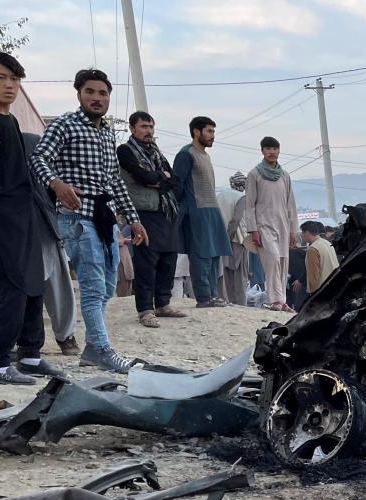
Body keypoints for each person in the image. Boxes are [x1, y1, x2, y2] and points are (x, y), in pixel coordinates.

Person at [30, 67, 149, 374]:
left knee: (109, 285)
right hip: (77, 216)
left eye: (103, 93)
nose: (97, 98)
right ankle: (100, 349)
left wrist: (133, 220)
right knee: (94, 287)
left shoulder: (107, 133)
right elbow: (38, 158)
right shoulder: (65, 125)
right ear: (79, 94)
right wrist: (57, 184)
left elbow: (114, 181)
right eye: (90, 92)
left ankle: (92, 348)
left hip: (105, 217)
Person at [0, 53, 66, 384]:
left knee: (35, 282)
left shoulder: (11, 121)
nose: (10, 85)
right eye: (1, 78)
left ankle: (31, 355)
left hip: (26, 215)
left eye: (15, 79)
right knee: (13, 285)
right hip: (1, 218)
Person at [116, 110, 186, 327]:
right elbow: (141, 176)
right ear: (132, 128)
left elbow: (173, 180)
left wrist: (158, 180)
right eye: (144, 127)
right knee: (147, 261)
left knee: (168, 258)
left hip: (166, 210)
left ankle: (162, 303)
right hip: (143, 210)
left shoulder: (155, 152)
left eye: (151, 127)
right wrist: (158, 178)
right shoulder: (125, 150)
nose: (148, 131)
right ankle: (145, 309)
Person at [22, 133, 78, 355]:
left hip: (43, 224)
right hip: (10, 229)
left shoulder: (32, 142)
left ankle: (66, 336)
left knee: (57, 283)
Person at [173, 116, 232, 309]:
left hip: (211, 209)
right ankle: (204, 297)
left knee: (214, 255)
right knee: (200, 256)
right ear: (196, 132)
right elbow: (177, 186)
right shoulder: (186, 154)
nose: (212, 136)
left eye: (213, 132)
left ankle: (212, 295)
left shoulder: (205, 155)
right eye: (209, 131)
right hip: (196, 210)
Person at [244, 136, 299, 312]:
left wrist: (293, 230)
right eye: (268, 148)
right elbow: (249, 204)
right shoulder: (254, 174)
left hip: (283, 224)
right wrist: (253, 229)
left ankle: (281, 301)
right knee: (272, 259)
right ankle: (274, 299)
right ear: (262, 151)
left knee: (283, 261)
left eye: (275, 148)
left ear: (279, 150)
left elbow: (291, 204)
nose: (272, 152)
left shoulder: (284, 175)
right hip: (263, 225)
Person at [216, 171, 250, 305]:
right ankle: (241, 305)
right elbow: (236, 220)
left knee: (227, 274)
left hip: (221, 239)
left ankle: (230, 303)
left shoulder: (220, 195)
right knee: (240, 277)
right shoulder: (241, 197)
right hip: (238, 240)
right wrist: (229, 237)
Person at [303, 220, 340, 294]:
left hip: (322, 291)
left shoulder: (313, 249)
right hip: (334, 285)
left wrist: (313, 293)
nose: (302, 235)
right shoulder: (326, 243)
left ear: (307, 232)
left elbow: (313, 276)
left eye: (302, 232)